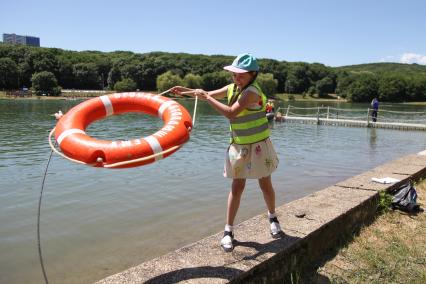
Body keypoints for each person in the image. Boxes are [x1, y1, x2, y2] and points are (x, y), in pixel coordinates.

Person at [171, 53, 283, 252]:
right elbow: (208, 93)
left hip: (258, 146)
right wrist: (186, 92)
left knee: (265, 184)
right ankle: (228, 231)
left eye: (240, 74)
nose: (235, 78)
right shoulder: (232, 88)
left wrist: (205, 97)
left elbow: (231, 113)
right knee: (236, 187)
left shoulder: (252, 92)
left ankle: (273, 218)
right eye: (233, 74)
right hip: (239, 146)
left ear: (252, 74)